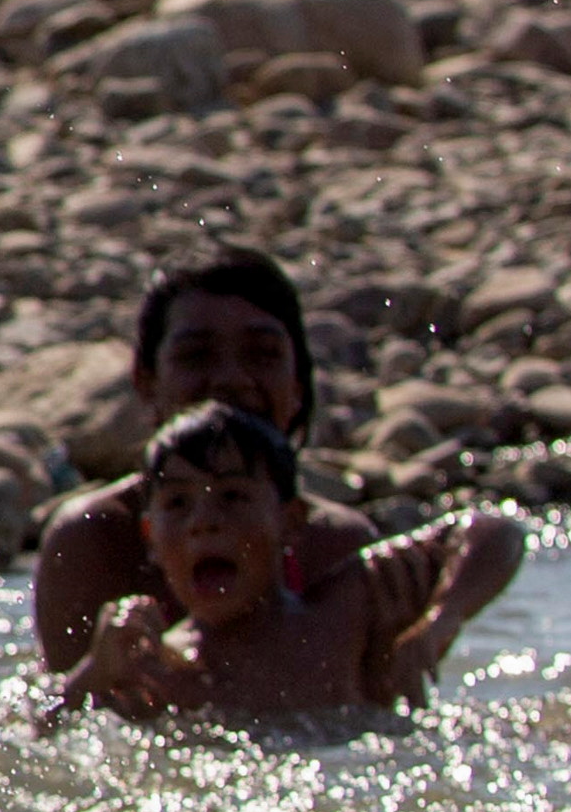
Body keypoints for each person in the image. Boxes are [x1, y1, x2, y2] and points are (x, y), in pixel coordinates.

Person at [28, 251, 378, 670]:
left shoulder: (337, 548)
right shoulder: (93, 542)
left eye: (262, 354)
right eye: (196, 356)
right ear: (147, 383)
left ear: (298, 385)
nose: (230, 379)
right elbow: (62, 725)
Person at [58, 406, 521, 721]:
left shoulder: (345, 611)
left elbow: (494, 531)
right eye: (178, 504)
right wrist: (90, 676)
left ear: (291, 521)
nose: (204, 523)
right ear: (150, 538)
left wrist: (442, 620)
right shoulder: (157, 669)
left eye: (233, 497)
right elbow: (33, 741)